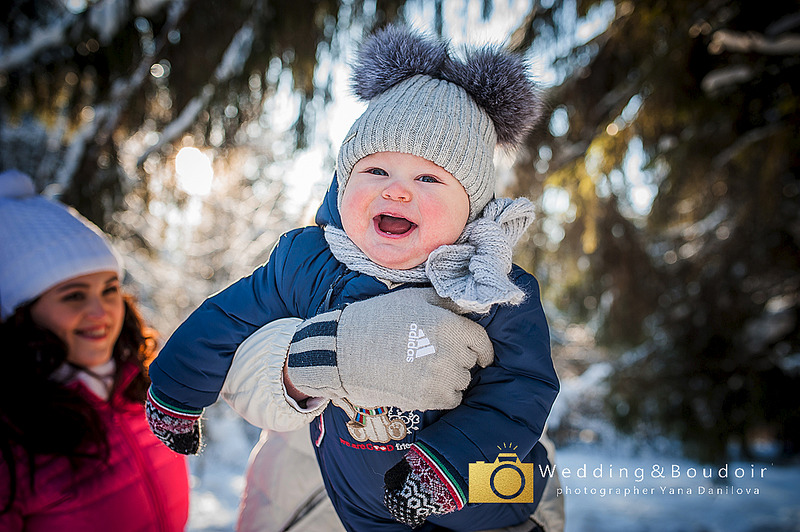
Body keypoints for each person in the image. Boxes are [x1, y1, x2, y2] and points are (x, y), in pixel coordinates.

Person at [147, 25, 561, 531]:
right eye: (375, 171)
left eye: (429, 179)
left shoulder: (494, 287)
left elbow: (524, 387)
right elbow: (225, 318)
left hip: (479, 493)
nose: (397, 192)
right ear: (343, 183)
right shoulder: (307, 263)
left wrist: (450, 470)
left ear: (472, 209)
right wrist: (176, 393)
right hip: (364, 506)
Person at [0, 170, 190, 531]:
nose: (101, 312)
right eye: (73, 295)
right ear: (19, 313)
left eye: (109, 289)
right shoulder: (12, 437)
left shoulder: (143, 388)